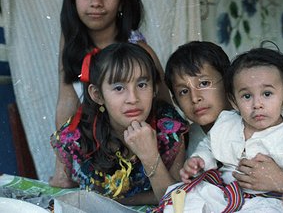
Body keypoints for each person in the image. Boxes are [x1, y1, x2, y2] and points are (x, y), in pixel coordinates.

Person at [161, 43, 283, 212]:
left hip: (271, 201)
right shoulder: (227, 122)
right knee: (183, 196)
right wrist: (199, 160)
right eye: (246, 96)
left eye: (267, 94)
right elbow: (209, 145)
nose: (257, 104)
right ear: (234, 101)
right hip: (227, 195)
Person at [50, 0, 171, 188]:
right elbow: (66, 102)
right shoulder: (72, 43)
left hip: (142, 161)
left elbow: (166, 111)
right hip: (98, 158)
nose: (96, 2)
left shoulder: (138, 49)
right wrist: (61, 171)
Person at [50, 43, 188, 205]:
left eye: (142, 85)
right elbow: (64, 188)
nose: (133, 98)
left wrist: (150, 156)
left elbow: (177, 201)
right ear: (97, 95)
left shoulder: (169, 128)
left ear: (155, 89)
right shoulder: (77, 134)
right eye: (119, 88)